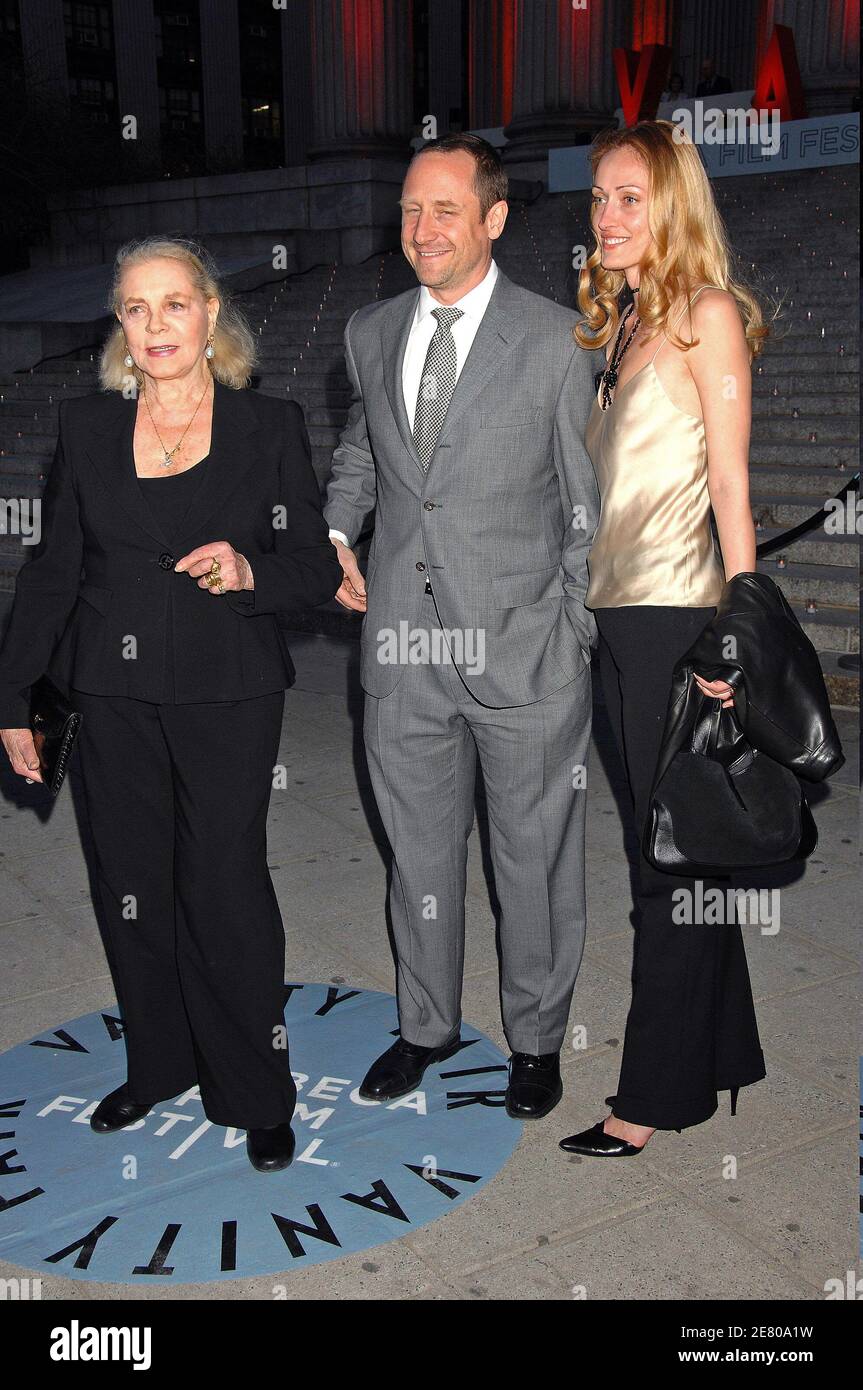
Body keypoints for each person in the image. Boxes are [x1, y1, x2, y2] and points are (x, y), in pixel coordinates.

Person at [0, 236, 342, 1172]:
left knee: (224, 888)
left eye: (175, 305)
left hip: (228, 691)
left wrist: (249, 570)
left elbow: (312, 566)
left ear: (210, 315)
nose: (156, 326)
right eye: (137, 309)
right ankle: (160, 1064)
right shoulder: (86, 426)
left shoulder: (267, 426)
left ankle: (255, 1088)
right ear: (120, 325)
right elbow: (52, 571)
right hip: (107, 695)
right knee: (130, 888)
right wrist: (11, 694)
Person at [325, 134, 601, 1119]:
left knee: (532, 862)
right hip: (402, 653)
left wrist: (569, 632)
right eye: (408, 209)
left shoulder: (558, 340)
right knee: (420, 857)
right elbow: (365, 453)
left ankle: (534, 1041)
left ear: (491, 219)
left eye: (444, 209)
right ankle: (424, 1026)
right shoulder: (368, 331)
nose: (420, 229)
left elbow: (587, 505)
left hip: (524, 655)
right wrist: (333, 531)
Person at [559, 120, 769, 1158]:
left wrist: (739, 633)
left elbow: (729, 482)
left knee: (669, 869)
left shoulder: (704, 317)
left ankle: (649, 1098)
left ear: (674, 204)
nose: (606, 216)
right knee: (682, 855)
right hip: (616, 626)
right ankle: (717, 1053)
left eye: (629, 197)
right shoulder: (623, 321)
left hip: (678, 624)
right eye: (598, 197)